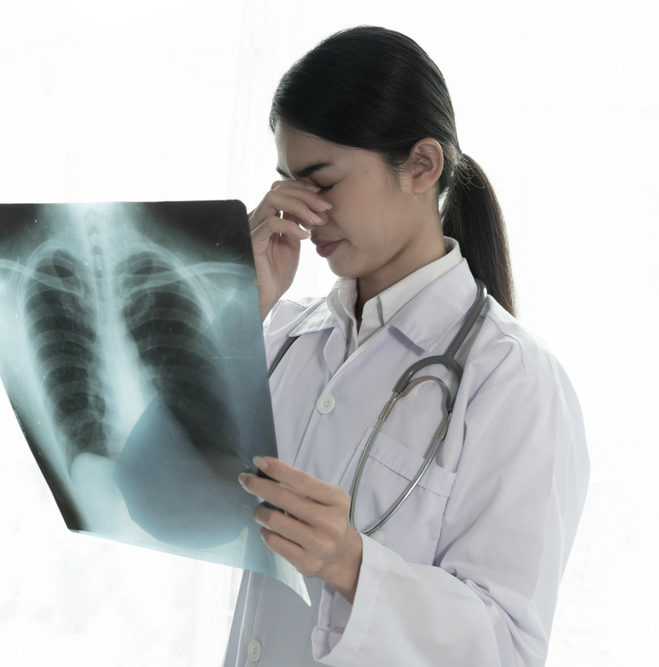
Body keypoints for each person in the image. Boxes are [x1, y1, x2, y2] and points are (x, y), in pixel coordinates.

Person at [224, 26, 590, 667]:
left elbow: (507, 648)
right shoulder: (280, 337)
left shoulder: (513, 381)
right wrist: (233, 310)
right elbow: (145, 490)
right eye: (288, 184)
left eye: (321, 181)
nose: (302, 211)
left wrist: (351, 564)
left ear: (422, 165)